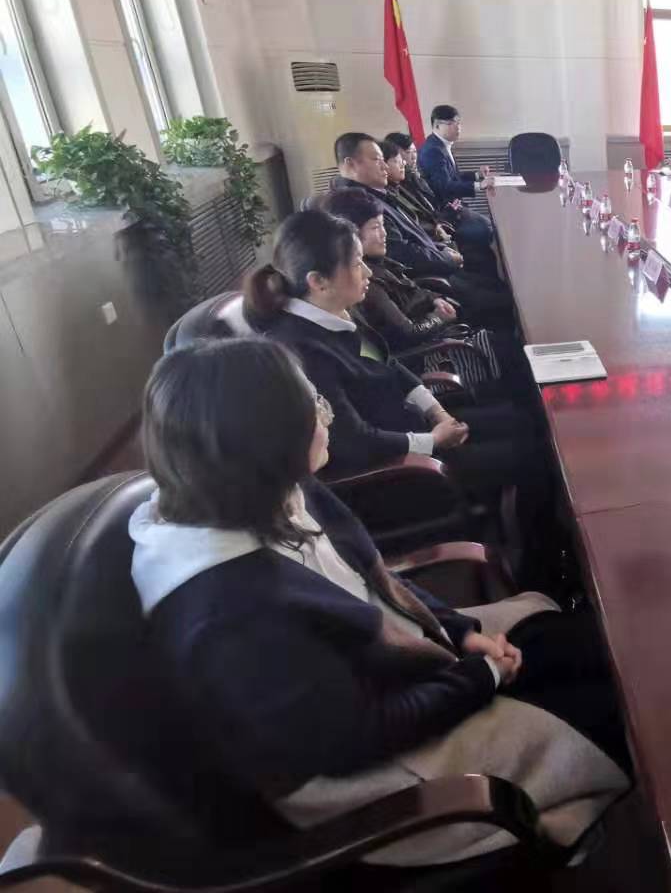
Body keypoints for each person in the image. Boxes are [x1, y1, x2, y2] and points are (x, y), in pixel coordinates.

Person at [129, 337, 629, 866]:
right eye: (313, 405)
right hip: (373, 769)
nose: (327, 416)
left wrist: (459, 632)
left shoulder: (267, 490)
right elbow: (355, 737)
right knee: (615, 711)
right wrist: (481, 676)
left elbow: (373, 582)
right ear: (266, 441)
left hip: (393, 667)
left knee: (590, 646)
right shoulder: (228, 615)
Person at [242, 210, 547, 517]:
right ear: (318, 281)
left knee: (523, 421)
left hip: (412, 428)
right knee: (532, 454)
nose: (368, 272)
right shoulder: (300, 351)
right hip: (399, 473)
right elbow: (354, 442)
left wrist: (438, 412)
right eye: (356, 264)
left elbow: (389, 364)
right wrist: (432, 440)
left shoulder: (334, 309)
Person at [320, 188, 504, 393]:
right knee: (511, 348)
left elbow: (410, 285)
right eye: (375, 227)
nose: (384, 233)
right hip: (432, 360)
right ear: (353, 234)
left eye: (383, 225)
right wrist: (439, 317)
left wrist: (434, 299)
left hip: (440, 339)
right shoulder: (368, 285)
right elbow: (407, 335)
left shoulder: (377, 261)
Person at [333, 132, 511, 316]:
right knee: (504, 300)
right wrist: (445, 258)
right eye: (377, 159)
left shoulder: (375, 194)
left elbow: (413, 233)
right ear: (350, 164)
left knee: (498, 283)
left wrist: (441, 248)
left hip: (434, 261)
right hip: (425, 281)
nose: (384, 165)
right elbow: (399, 253)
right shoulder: (357, 205)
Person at [384, 131, 494, 255]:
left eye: (415, 152)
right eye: (409, 152)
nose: (414, 157)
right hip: (440, 225)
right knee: (484, 229)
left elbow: (448, 181)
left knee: (487, 226)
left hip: (445, 214)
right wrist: (447, 214)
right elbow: (422, 218)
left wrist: (476, 176)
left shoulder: (413, 175)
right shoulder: (403, 183)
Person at [418, 104, 492, 208]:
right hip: (444, 209)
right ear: (437, 126)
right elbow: (445, 186)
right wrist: (479, 185)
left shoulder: (441, 144)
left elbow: (453, 177)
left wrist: (477, 175)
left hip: (454, 205)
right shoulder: (432, 151)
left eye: (458, 122)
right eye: (451, 123)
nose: (457, 127)